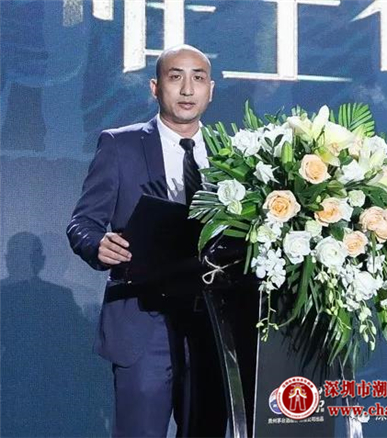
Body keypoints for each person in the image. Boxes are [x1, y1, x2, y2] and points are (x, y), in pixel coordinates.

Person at [67, 45, 224, 438]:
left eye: (198, 78)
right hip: (142, 320)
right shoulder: (120, 145)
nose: (187, 89)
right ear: (155, 87)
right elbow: (82, 223)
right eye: (175, 77)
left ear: (210, 90)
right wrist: (97, 244)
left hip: (212, 325)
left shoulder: (231, 153)